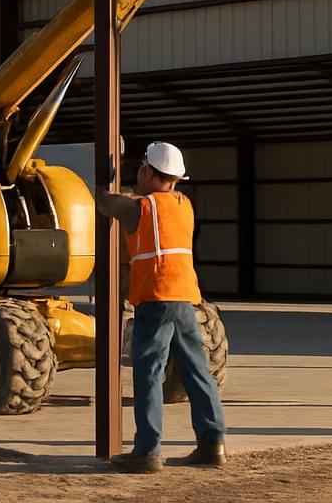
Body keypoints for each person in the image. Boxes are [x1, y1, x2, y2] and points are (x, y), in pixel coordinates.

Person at [97, 141, 228, 474]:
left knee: (150, 373)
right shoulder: (184, 204)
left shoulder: (140, 208)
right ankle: (213, 444)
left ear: (148, 171)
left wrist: (108, 180)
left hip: (155, 298)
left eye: (141, 168)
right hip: (185, 297)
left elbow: (105, 204)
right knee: (197, 371)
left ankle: (147, 451)